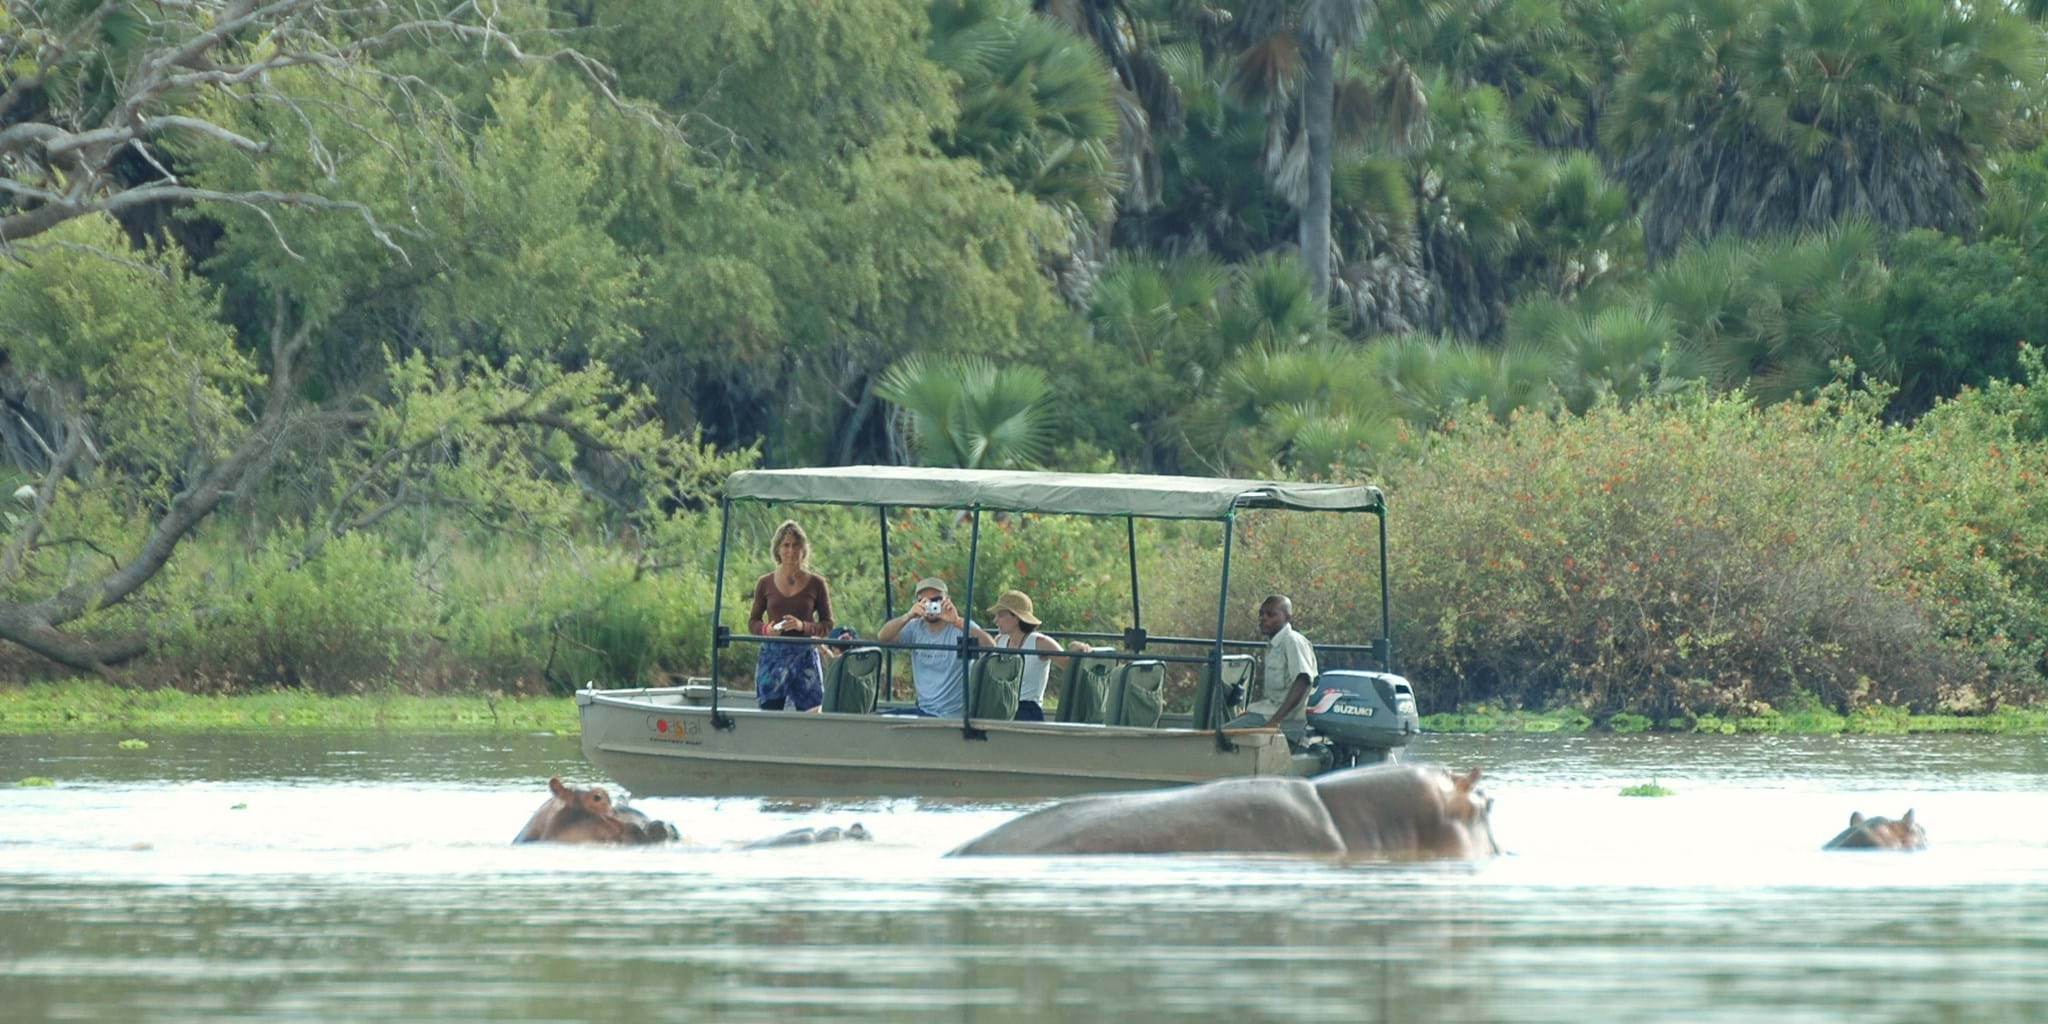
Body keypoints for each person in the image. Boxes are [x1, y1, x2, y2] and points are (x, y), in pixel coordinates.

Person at [747, 520, 835, 712]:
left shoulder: (817, 583)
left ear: (803, 549)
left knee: (813, 714)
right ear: (778, 549)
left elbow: (828, 623)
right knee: (770, 714)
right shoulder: (765, 583)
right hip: (773, 657)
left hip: (805, 655)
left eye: (796, 545)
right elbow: (752, 621)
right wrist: (766, 630)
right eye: (786, 545)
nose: (791, 550)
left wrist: (803, 626)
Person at [876, 577, 992, 716]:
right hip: (924, 711)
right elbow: (883, 636)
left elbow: (990, 647)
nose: (931, 605)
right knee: (877, 720)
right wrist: (908, 615)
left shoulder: (961, 627)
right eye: (924, 601)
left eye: (936, 600)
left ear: (947, 600)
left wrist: (956, 621)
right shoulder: (914, 627)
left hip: (951, 716)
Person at [986, 590, 1090, 722]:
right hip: (1001, 707)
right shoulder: (999, 641)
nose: (995, 620)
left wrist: (1076, 648)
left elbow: (1070, 665)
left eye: (1000, 615)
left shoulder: (1039, 642)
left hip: (1026, 710)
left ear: (1016, 617)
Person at [1225, 594, 1318, 740]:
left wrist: (1274, 722)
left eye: (1271, 614)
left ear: (1287, 617)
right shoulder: (1274, 646)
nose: (1264, 618)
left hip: (1285, 722)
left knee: (1222, 736)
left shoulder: (1293, 642)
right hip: (1268, 713)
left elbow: (1303, 682)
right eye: (1261, 614)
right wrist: (1252, 711)